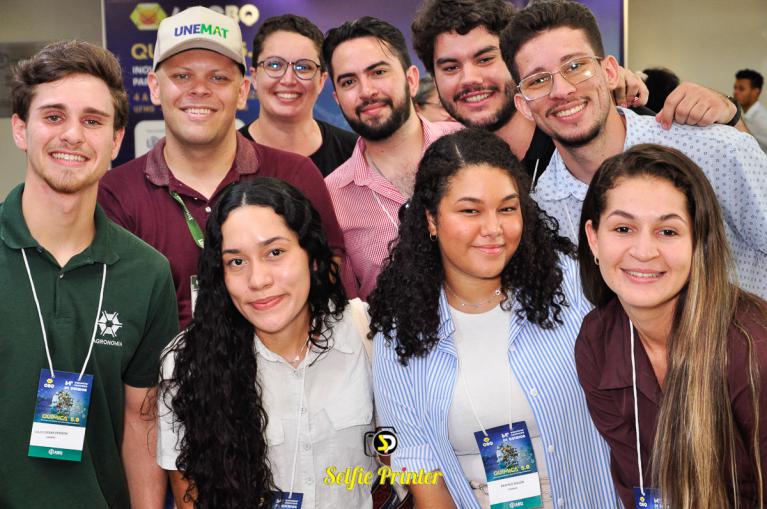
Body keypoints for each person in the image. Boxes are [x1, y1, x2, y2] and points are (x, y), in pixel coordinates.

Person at [369, 128, 620, 509]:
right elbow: (421, 469)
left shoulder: (574, 287)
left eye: (507, 208)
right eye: (470, 211)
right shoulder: (399, 332)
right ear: (431, 220)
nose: (493, 229)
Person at [0, 40, 179, 508]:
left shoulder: (147, 273)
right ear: (21, 129)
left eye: (93, 121)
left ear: (116, 141)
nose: (73, 135)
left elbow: (142, 419)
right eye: (53, 116)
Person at [98, 6, 345, 328]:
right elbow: (114, 317)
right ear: (155, 87)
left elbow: (330, 286)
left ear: (242, 91)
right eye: (182, 76)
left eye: (218, 77)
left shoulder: (296, 175)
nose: (200, 89)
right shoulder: (116, 193)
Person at [503, 0, 767, 298]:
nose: (562, 91)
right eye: (538, 80)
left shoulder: (715, 150)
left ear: (610, 72)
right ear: (523, 105)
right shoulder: (542, 209)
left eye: (576, 66)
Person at [157, 178, 375, 509]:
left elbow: (408, 465)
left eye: (275, 253)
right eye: (237, 262)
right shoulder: (187, 363)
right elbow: (191, 497)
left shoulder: (365, 333)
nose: (258, 280)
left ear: (312, 256)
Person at [576, 144, 767, 508]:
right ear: (594, 238)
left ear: (699, 242)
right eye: (623, 228)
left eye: (667, 231)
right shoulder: (597, 341)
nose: (643, 251)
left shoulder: (753, 348)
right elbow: (639, 485)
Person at [411, 0, 742, 185]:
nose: (470, 79)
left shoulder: (613, 129)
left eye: (485, 59)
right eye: (450, 67)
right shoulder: (460, 164)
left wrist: (730, 115)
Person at [322, 16, 461, 300]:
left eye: (378, 72)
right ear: (337, 99)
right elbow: (351, 312)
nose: (367, 91)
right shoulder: (332, 197)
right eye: (349, 82)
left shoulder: (466, 145)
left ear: (411, 80)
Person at [238, 14, 358, 177]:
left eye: (303, 67)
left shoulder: (356, 154)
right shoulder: (225, 156)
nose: (288, 80)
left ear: (321, 80)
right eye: (275, 65)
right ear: (255, 77)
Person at [734, 69, 767, 153]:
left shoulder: (761, 119)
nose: (735, 92)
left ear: (755, 92)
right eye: (735, 88)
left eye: (741, 89)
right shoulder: (748, 115)